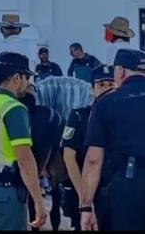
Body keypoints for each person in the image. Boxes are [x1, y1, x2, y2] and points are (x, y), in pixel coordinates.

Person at [0, 51, 47, 231]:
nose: (28, 83)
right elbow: (25, 159)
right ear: (16, 77)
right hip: (5, 192)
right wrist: (38, 202)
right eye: (26, 77)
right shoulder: (14, 108)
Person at [80, 47, 145, 231]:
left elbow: (94, 160)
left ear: (120, 71)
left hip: (128, 184)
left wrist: (86, 205)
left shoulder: (107, 102)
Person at [60, 64, 115, 230]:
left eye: (110, 84)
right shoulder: (79, 115)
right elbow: (69, 157)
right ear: (92, 89)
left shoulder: (122, 116)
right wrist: (84, 197)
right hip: (84, 190)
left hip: (114, 193)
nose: (106, 89)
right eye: (101, 85)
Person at [0, 14, 39, 91]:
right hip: (26, 89)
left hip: (3, 89)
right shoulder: (31, 46)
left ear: (1, 30)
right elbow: (33, 69)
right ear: (20, 30)